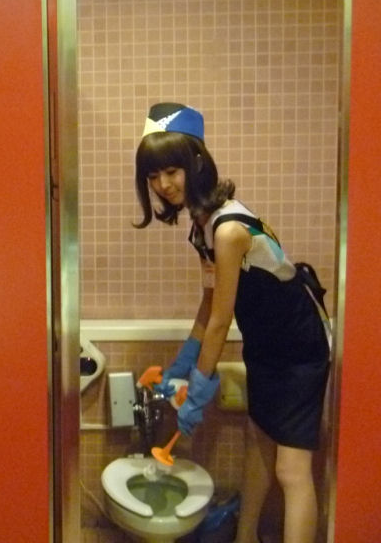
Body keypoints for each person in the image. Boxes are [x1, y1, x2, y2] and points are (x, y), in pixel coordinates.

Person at [133, 103, 331, 543]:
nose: (163, 185)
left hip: (299, 351)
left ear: (196, 162)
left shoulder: (228, 230)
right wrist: (183, 362)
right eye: (153, 175)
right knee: (256, 443)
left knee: (291, 469)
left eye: (172, 171)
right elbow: (209, 305)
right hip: (265, 345)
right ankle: (246, 537)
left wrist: (199, 388)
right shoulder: (201, 225)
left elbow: (222, 321)